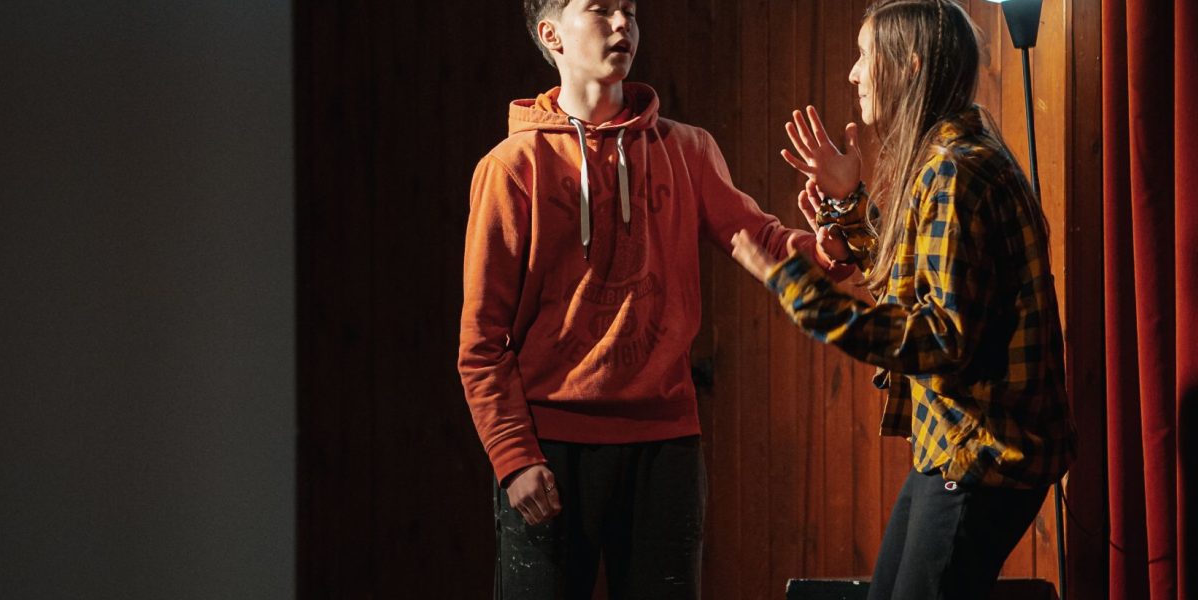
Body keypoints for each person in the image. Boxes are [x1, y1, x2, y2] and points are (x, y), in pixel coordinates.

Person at [457, 1, 851, 598]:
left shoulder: (686, 149)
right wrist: (514, 455)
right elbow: (482, 340)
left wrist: (829, 245)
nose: (623, 25)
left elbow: (761, 239)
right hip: (551, 448)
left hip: (665, 445)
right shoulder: (513, 167)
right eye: (601, 10)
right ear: (551, 33)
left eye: (631, 11)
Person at [731, 1, 1076, 598]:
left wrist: (800, 290)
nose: (853, 73)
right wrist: (851, 206)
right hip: (954, 445)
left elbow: (940, 338)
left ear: (909, 65)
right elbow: (919, 284)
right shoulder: (950, 159)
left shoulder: (955, 173)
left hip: (983, 452)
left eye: (864, 55)